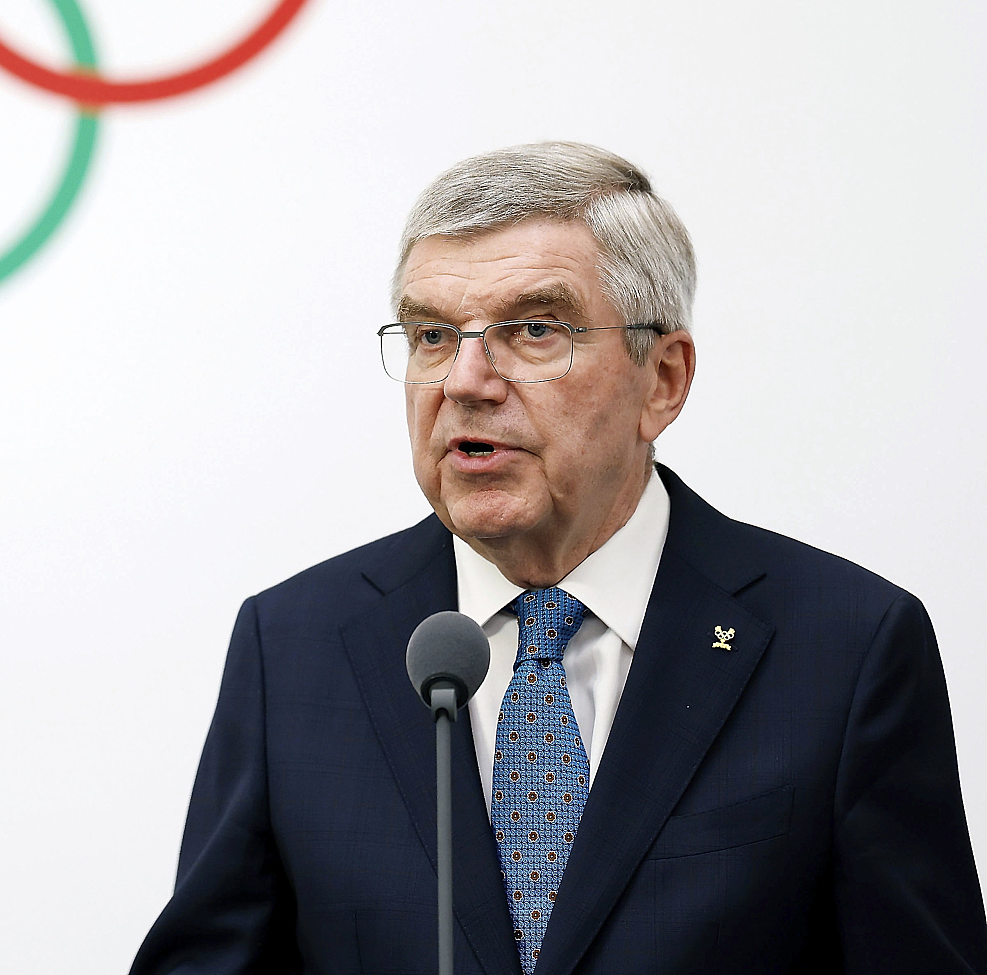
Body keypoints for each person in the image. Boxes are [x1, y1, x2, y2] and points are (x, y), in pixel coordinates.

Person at [128, 141, 987, 975]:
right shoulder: (295, 645)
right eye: (432, 337)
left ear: (663, 380)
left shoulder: (846, 648)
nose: (465, 381)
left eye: (533, 329)